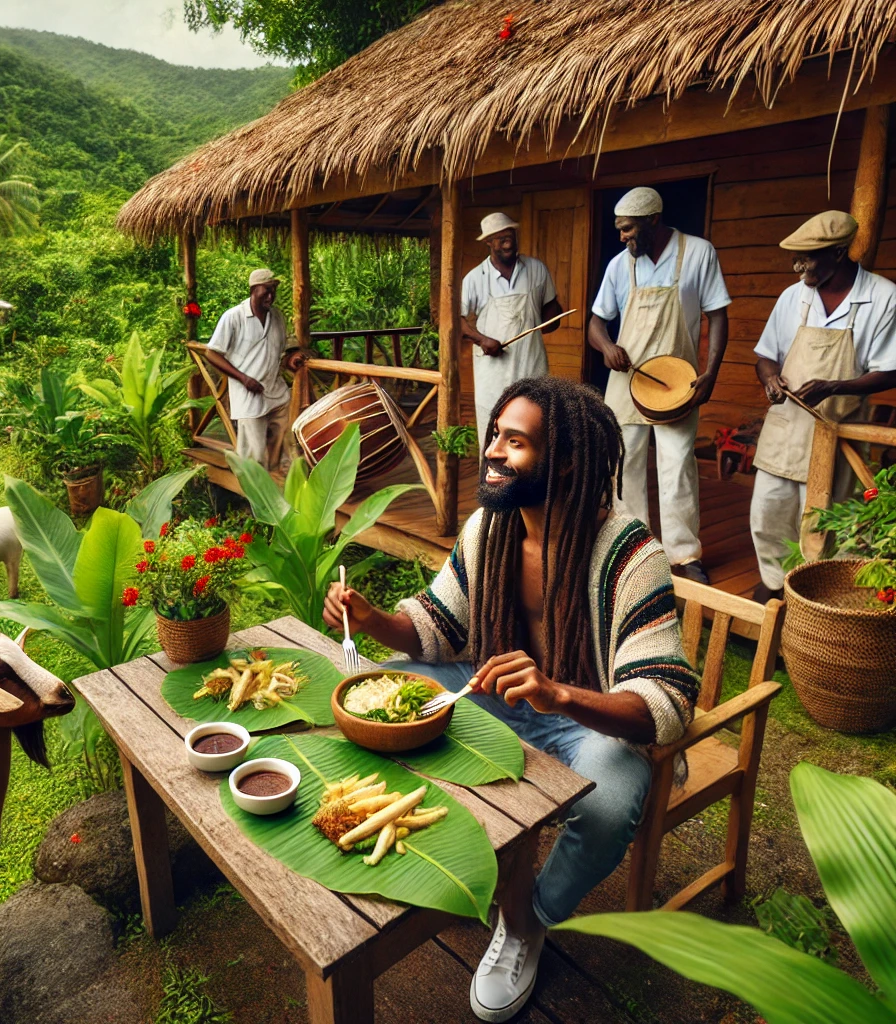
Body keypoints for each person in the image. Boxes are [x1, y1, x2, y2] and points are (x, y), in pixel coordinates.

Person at [323, 377, 698, 1024]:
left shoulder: (631, 553)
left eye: (514, 441)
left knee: (612, 797)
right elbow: (438, 625)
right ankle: (438, 852)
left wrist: (559, 694)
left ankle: (527, 920)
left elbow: (664, 698)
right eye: (494, 433)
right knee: (393, 691)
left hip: (586, 720)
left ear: (569, 460)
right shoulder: (488, 527)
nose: (492, 450)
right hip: (492, 693)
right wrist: (373, 617)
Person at [750, 211, 896, 602]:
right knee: (769, 513)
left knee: (827, 523)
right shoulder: (792, 295)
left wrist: (835, 386)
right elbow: (765, 355)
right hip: (785, 428)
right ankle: (773, 586)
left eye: (808, 258)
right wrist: (770, 377)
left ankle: (819, 595)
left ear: (839, 252)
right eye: (796, 258)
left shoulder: (883, 297)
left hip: (838, 431)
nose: (798, 267)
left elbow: (890, 371)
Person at [588, 186, 731, 585]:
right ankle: (634, 546)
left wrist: (711, 373)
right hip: (626, 381)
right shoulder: (620, 265)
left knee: (678, 465)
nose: (622, 237)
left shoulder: (698, 253)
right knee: (624, 464)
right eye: (619, 229)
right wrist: (607, 346)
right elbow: (596, 323)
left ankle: (684, 556)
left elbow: (718, 317)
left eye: (629, 229)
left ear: (654, 220)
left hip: (676, 382)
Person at [461, 212, 563, 455]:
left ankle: (531, 487)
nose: (508, 243)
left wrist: (552, 320)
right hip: (493, 371)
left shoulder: (536, 269)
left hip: (531, 363)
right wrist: (482, 339)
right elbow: (457, 322)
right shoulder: (475, 278)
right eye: (500, 239)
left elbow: (551, 306)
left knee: (533, 426)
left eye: (510, 237)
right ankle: (493, 487)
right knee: (493, 428)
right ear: (488, 242)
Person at [205, 268, 307, 470]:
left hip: (276, 394)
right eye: (266, 291)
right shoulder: (233, 317)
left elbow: (286, 349)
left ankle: (280, 492)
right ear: (253, 290)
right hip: (249, 396)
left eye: (273, 291)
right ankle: (254, 498)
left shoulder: (277, 316)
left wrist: (292, 358)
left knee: (284, 450)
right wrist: (243, 379)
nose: (270, 296)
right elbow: (212, 353)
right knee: (253, 457)